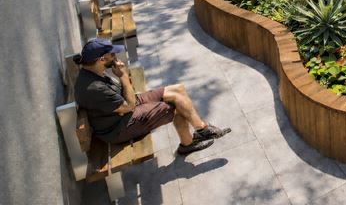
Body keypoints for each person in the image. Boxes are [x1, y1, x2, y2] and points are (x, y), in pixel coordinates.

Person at [73, 38, 230, 155]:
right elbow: (128, 106)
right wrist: (123, 77)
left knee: (178, 90)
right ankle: (187, 145)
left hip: (122, 108)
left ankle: (202, 129)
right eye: (112, 54)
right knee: (174, 108)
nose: (116, 56)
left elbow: (122, 102)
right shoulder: (94, 88)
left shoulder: (93, 71)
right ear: (102, 59)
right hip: (118, 128)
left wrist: (123, 83)